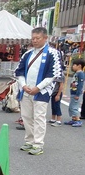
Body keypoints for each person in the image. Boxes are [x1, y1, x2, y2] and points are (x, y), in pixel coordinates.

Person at [15, 27, 62, 156]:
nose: (34, 41)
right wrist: (24, 85)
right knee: (26, 116)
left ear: (45, 38)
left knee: (39, 117)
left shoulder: (53, 53)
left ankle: (38, 143)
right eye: (33, 38)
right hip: (26, 90)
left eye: (38, 38)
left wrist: (38, 88)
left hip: (42, 91)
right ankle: (29, 140)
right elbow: (19, 71)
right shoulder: (27, 54)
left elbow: (53, 74)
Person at [65, 58, 85, 127]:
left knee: (74, 107)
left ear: (79, 66)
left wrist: (78, 94)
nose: (72, 66)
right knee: (71, 107)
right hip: (73, 92)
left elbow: (80, 85)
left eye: (74, 65)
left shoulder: (81, 74)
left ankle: (78, 120)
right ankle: (73, 119)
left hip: (76, 93)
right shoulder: (77, 73)